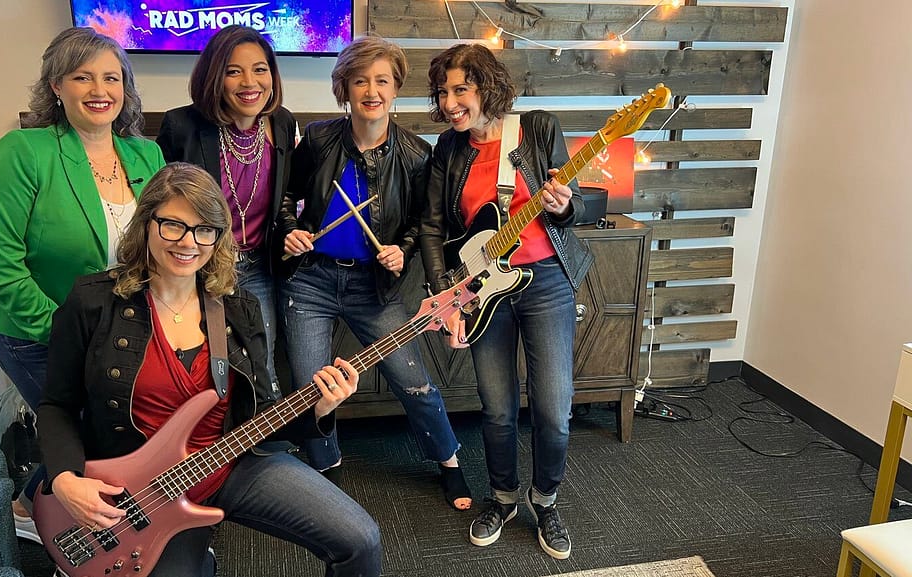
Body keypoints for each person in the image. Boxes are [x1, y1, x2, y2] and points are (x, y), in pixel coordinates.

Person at [36, 162, 381, 577]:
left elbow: (263, 412)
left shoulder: (238, 310)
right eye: (173, 226)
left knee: (361, 539)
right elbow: (56, 404)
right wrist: (65, 480)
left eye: (205, 230)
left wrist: (321, 407)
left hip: (228, 464)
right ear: (146, 224)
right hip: (141, 496)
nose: (189, 243)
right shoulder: (93, 303)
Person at [0, 26, 164, 543]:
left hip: (116, 328)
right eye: (82, 77)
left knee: (113, 427)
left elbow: (160, 245)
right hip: (34, 331)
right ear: (56, 85)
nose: (99, 89)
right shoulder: (24, 150)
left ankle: (30, 502)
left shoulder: (145, 155)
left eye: (111, 76)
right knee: (86, 430)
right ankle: (49, 520)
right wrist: (69, 337)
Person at [277, 35, 471, 510]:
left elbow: (421, 224)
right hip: (313, 279)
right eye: (360, 79)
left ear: (395, 88)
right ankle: (327, 466)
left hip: (375, 288)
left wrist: (402, 251)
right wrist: (290, 229)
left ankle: (449, 461)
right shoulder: (319, 138)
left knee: (413, 380)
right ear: (343, 87)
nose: (371, 90)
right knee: (312, 387)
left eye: (382, 80)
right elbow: (287, 196)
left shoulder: (415, 154)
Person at [420, 43, 595, 559]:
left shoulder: (539, 129)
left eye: (461, 90)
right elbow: (432, 226)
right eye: (443, 92)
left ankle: (546, 501)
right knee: (496, 408)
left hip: (546, 282)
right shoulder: (448, 151)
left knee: (553, 410)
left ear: (487, 86)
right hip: (482, 287)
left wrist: (562, 207)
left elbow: (575, 206)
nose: (450, 102)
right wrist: (444, 289)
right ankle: (502, 498)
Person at [157, 25, 295, 392]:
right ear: (214, 76)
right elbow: (160, 205)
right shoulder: (181, 126)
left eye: (260, 69)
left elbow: (284, 195)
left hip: (258, 267)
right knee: (205, 361)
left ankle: (261, 442)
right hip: (200, 262)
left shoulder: (282, 123)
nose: (249, 81)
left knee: (260, 360)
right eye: (234, 71)